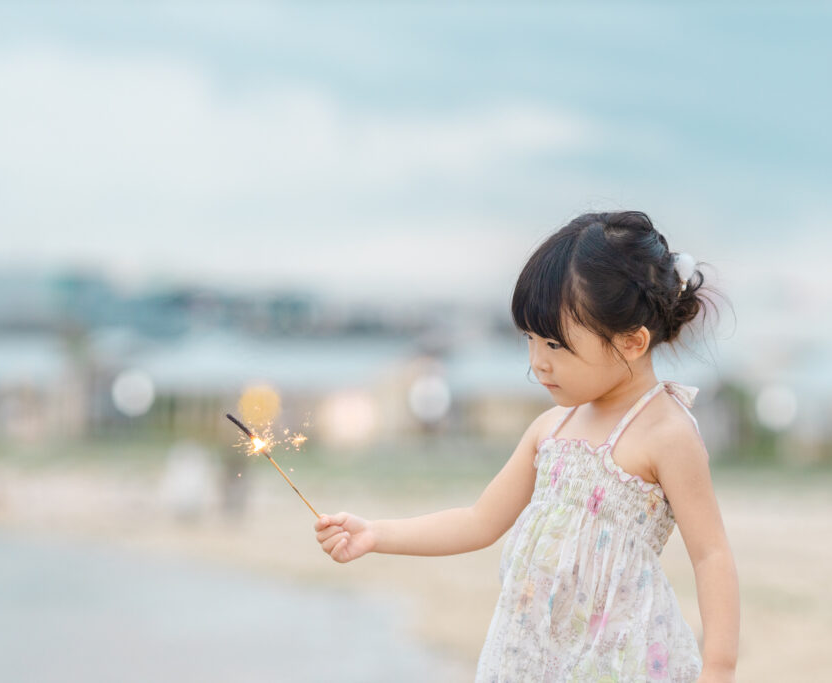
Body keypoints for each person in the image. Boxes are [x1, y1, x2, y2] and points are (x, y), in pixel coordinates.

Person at [314, 211, 740, 682]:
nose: (538, 363)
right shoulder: (551, 429)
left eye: (556, 344)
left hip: (617, 661)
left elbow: (711, 555)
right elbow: (479, 521)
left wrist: (719, 667)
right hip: (532, 660)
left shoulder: (666, 433)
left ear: (632, 341)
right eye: (530, 339)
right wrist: (376, 534)